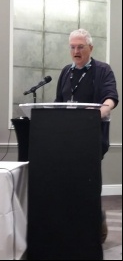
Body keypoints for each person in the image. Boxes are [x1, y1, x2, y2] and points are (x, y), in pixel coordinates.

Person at [55, 28, 119, 243]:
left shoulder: (102, 70)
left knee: (89, 184)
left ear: (90, 48)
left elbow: (111, 98)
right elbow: (58, 104)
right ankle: (71, 224)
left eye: (80, 47)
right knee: (68, 183)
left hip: (91, 138)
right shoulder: (66, 71)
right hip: (67, 139)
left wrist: (99, 112)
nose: (76, 51)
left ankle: (96, 224)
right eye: (72, 47)